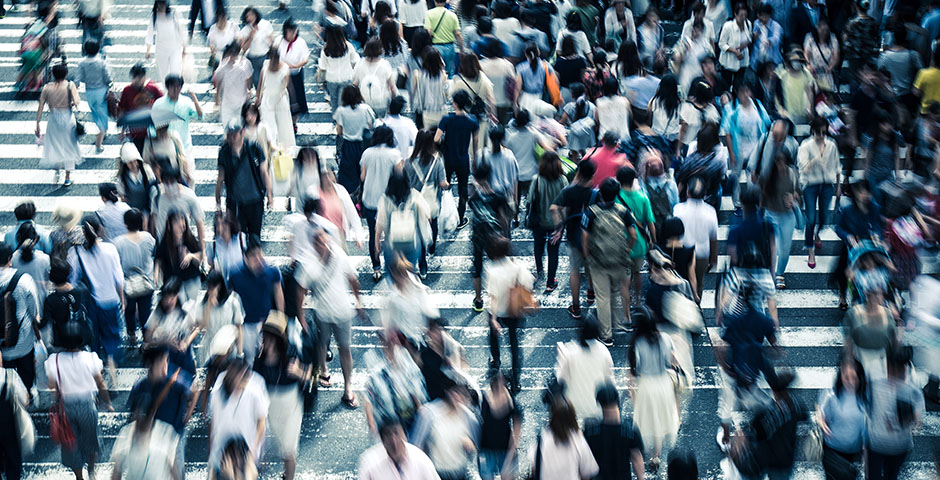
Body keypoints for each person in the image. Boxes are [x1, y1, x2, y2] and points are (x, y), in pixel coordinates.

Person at [46, 328, 113, 480]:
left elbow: (53, 388)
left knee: (71, 444)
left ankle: (79, 477)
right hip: (87, 404)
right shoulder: (90, 358)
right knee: (91, 441)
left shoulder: (54, 360)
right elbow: (101, 383)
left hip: (66, 407)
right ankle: (91, 472)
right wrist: (107, 402)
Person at [304, 230, 361, 408]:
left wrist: (359, 302)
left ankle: (348, 387)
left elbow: (353, 279)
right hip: (322, 312)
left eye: (324, 242)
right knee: (322, 343)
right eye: (319, 243)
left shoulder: (339, 256)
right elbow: (301, 288)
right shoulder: (310, 262)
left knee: (345, 348)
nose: (323, 246)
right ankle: (324, 370)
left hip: (342, 311)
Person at [66, 215, 122, 381]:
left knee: (95, 339)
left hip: (92, 303)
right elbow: (119, 278)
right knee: (112, 338)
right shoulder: (110, 249)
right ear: (100, 229)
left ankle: (97, 375)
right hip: (111, 301)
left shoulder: (75, 252)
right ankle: (112, 369)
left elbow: (73, 281)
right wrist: (123, 299)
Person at [126, 344, 194, 479]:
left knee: (177, 472)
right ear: (150, 364)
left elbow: (194, 391)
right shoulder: (141, 386)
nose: (165, 365)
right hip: (152, 438)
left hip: (174, 435)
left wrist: (187, 416)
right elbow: (135, 415)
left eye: (167, 360)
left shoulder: (176, 381)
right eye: (162, 361)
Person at [582, 178, 636, 344]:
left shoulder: (590, 212)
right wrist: (626, 249)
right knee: (614, 293)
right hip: (619, 260)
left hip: (598, 261)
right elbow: (633, 235)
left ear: (600, 193)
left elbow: (585, 237)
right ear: (616, 193)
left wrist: (588, 256)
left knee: (602, 297)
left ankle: (606, 335)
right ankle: (616, 324)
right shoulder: (623, 211)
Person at [253, 313, 303, 480]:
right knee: (280, 445)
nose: (265, 341)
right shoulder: (259, 358)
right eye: (265, 336)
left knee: (289, 449)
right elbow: (255, 382)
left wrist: (299, 372)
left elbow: (313, 375)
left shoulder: (292, 353)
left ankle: (289, 476)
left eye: (269, 337)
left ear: (278, 339)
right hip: (270, 405)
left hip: (290, 405)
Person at [484, 236, 533, 393]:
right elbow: (529, 283)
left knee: (493, 337)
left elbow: (493, 297)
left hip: (499, 312)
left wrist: (493, 318)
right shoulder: (517, 266)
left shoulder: (492, 270)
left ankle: (496, 360)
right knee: (515, 346)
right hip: (515, 311)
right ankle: (516, 380)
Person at [551, 160, 598, 319]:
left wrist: (560, 223)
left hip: (573, 235)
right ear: (593, 174)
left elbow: (554, 208)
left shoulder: (568, 191)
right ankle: (591, 292)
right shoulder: (595, 194)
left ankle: (576, 306)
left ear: (578, 172)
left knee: (574, 270)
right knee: (590, 266)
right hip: (591, 236)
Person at [207, 359, 269, 474]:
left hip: (246, 444)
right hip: (223, 444)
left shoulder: (254, 390)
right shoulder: (218, 391)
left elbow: (262, 422)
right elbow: (214, 421)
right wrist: (211, 449)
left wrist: (255, 449)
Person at [228, 238, 284, 363]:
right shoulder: (235, 274)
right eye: (254, 256)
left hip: (265, 324)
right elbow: (230, 299)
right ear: (245, 258)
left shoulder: (272, 272)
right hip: (245, 325)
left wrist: (280, 319)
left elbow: (278, 294)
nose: (258, 259)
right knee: (248, 360)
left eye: (260, 254)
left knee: (267, 358)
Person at [411, 379, 480, 479]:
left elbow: (475, 451)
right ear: (447, 391)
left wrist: (471, 446)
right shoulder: (429, 413)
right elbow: (416, 447)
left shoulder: (470, 418)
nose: (459, 397)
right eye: (456, 392)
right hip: (436, 473)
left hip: (460, 472)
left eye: (463, 394)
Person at [361, 125, 405, 279]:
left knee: (374, 233)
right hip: (388, 200)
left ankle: (376, 267)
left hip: (370, 199)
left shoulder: (367, 153)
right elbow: (399, 176)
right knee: (391, 233)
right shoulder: (395, 154)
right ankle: (392, 263)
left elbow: (362, 177)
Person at [215, 120, 272, 238]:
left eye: (235, 134)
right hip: (236, 203)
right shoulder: (224, 152)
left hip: (255, 200)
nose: (232, 137)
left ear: (242, 132)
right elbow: (220, 178)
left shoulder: (254, 148)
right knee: (238, 237)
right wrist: (218, 203)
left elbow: (264, 172)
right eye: (230, 134)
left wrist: (269, 195)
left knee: (255, 236)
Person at [721, 83, 772, 213]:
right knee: (736, 176)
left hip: (755, 147)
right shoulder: (731, 108)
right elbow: (727, 132)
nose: (745, 94)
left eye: (747, 91)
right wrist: (731, 152)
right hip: (738, 148)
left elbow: (767, 123)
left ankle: (754, 201)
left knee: (754, 176)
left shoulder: (758, 106)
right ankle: (737, 204)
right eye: (742, 91)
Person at [405, 130, 448, 276]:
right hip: (431, 200)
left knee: (418, 230)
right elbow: (443, 183)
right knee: (432, 224)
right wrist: (447, 186)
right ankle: (432, 247)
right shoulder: (437, 160)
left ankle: (422, 264)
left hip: (414, 202)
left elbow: (405, 184)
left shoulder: (409, 162)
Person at [798, 117, 840, 270]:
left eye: (824, 132)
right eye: (818, 132)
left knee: (823, 218)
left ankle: (817, 234)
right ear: (813, 131)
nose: (821, 135)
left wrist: (839, 185)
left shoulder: (832, 145)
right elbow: (803, 168)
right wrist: (817, 157)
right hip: (810, 185)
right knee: (810, 219)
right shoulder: (806, 146)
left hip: (827, 185)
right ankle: (810, 250)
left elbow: (836, 166)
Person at [470, 163, 512, 312]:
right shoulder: (498, 195)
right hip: (495, 235)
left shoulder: (474, 195)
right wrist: (507, 236)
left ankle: (479, 300)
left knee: (477, 266)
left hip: (478, 235)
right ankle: (502, 296)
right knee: (500, 265)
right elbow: (504, 219)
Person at [0, 242, 39, 400]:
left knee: (5, 375)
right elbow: (33, 311)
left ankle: (9, 400)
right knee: (25, 372)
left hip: (1, 348)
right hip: (22, 340)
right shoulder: (24, 280)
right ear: (10, 259)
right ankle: (27, 396)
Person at [435, 90, 480, 228]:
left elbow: (436, 138)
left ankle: (442, 214)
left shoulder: (447, 119)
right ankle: (460, 219)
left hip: (448, 159)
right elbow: (476, 143)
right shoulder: (472, 120)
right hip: (463, 159)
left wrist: (442, 149)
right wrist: (474, 159)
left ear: (454, 103)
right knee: (462, 190)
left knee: (444, 187)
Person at [817, 359, 867, 480]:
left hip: (854, 449)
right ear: (841, 377)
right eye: (846, 377)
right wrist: (823, 424)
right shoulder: (832, 395)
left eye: (854, 378)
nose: (850, 381)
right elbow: (821, 415)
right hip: (833, 447)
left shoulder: (866, 397)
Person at [584, 383, 646, 480]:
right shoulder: (629, 431)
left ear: (599, 403)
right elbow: (636, 459)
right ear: (618, 400)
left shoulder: (591, 432)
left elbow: (585, 463)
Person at [112, 209, 156, 346]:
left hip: (128, 283)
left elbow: (117, 264)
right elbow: (154, 254)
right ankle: (147, 339)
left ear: (125, 223)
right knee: (145, 312)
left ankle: (131, 334)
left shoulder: (118, 242)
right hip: (146, 282)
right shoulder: (148, 238)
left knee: (129, 311)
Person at [555, 320, 613, 422]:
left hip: (574, 406)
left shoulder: (571, 351)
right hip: (596, 406)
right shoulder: (603, 351)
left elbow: (561, 378)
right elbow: (609, 379)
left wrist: (560, 360)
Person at [615, 165, 655, 310]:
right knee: (637, 273)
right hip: (639, 243)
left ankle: (626, 311)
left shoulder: (616, 198)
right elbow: (650, 223)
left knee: (624, 280)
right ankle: (638, 300)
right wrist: (653, 241)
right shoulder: (643, 198)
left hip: (622, 244)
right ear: (633, 180)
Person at [527, 151, 568, 292]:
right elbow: (565, 206)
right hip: (556, 224)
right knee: (553, 252)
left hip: (539, 222)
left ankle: (540, 274)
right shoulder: (563, 180)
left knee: (538, 248)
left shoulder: (537, 179)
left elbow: (529, 200)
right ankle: (551, 282)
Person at [36, 63, 82, 187]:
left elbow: (40, 106)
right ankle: (67, 178)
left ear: (53, 75)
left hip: (53, 119)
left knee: (55, 144)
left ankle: (57, 169)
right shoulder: (70, 85)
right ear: (65, 74)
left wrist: (37, 123)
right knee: (69, 146)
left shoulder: (47, 88)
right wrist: (72, 103)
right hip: (67, 118)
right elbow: (77, 101)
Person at [530, 398, 600, 480]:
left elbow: (534, 467)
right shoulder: (578, 441)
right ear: (572, 416)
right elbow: (588, 471)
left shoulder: (541, 440)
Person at [673, 177, 718, 301]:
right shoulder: (711, 212)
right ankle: (697, 308)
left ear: (687, 193)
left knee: (682, 282)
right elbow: (713, 239)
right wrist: (714, 258)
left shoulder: (678, 209)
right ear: (704, 194)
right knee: (698, 283)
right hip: (702, 254)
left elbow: (674, 235)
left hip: (682, 252)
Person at [189, 271, 244, 366]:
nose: (209, 291)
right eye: (208, 288)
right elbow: (204, 326)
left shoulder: (232, 302)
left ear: (219, 286)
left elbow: (238, 328)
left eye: (212, 288)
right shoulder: (202, 303)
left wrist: (240, 353)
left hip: (228, 347)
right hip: (211, 348)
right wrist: (208, 306)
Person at [762, 151, 799, 290]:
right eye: (778, 162)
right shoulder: (768, 176)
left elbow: (798, 193)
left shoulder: (792, 174)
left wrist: (793, 198)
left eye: (783, 162)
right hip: (771, 215)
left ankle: (780, 274)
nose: (781, 165)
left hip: (788, 216)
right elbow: (762, 197)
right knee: (774, 247)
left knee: (785, 248)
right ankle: (771, 274)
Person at [477, 371, 522, 480]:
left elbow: (517, 430)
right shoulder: (483, 398)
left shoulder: (511, 402)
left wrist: (511, 455)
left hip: (504, 449)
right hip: (486, 449)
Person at [358, 421, 439, 479]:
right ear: (382, 440)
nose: (394, 440)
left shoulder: (420, 459)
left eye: (397, 433)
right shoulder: (369, 460)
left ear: (405, 435)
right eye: (388, 435)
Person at [149, 166, 206, 249]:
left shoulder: (189, 196)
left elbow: (199, 222)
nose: (169, 185)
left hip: (183, 243)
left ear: (178, 180)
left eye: (171, 182)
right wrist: (155, 241)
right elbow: (154, 218)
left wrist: (202, 250)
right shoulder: (157, 196)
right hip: (164, 244)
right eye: (166, 182)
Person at [334, 85, 376, 195]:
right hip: (363, 144)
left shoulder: (341, 111)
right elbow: (371, 125)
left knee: (348, 175)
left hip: (348, 145)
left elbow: (339, 131)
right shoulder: (366, 109)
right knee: (364, 171)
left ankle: (350, 197)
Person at [154, 211, 203, 303]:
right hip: (174, 281)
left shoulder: (190, 239)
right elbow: (158, 258)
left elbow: (200, 256)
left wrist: (190, 256)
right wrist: (156, 274)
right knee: (181, 306)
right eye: (177, 221)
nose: (181, 225)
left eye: (182, 220)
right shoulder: (165, 242)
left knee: (192, 306)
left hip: (191, 279)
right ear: (170, 225)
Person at [257, 48, 297, 153]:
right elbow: (260, 84)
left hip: (280, 99)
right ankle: (271, 149)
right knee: (269, 127)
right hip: (267, 98)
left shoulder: (284, 68)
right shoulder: (265, 65)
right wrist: (258, 98)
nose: (274, 61)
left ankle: (283, 152)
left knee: (283, 128)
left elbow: (284, 87)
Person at [75, 41, 110, 153]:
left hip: (89, 92)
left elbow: (78, 79)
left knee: (95, 113)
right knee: (103, 114)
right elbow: (107, 77)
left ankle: (101, 131)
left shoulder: (82, 63)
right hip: (101, 91)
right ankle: (99, 142)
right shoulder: (101, 62)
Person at [319, 25, 361, 114]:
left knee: (333, 100)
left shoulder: (325, 49)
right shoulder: (348, 47)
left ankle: (336, 119)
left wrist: (321, 81)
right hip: (346, 77)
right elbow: (354, 61)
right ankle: (342, 120)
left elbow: (323, 67)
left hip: (331, 79)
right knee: (343, 101)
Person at [353, 37, 398, 117]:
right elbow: (392, 87)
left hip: (365, 101)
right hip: (381, 102)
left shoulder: (359, 64)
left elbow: (355, 84)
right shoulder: (385, 64)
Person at [116, 144, 155, 232]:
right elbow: (122, 197)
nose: (134, 164)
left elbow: (153, 188)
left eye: (135, 161)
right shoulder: (122, 178)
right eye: (130, 162)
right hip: (132, 212)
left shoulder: (146, 170)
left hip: (147, 209)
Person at [144, 0, 186, 82]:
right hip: (161, 50)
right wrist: (148, 49)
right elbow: (150, 32)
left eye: (163, 3)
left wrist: (185, 46)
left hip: (175, 48)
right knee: (164, 75)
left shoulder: (174, 13)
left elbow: (181, 29)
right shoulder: (154, 15)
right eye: (160, 3)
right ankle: (166, 93)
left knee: (175, 72)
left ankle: (176, 92)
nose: (162, 5)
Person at [213, 42, 253, 127]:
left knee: (239, 127)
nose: (232, 56)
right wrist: (217, 98)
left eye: (234, 53)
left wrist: (249, 92)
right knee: (227, 127)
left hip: (241, 103)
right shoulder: (223, 65)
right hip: (227, 103)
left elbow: (249, 81)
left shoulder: (244, 64)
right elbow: (219, 81)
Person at [278, 19, 309, 127]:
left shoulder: (300, 42)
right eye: (290, 31)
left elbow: (305, 59)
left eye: (294, 31)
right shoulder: (279, 41)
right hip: (282, 74)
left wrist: (294, 66)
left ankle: (294, 122)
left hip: (295, 73)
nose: (292, 34)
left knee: (296, 98)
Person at [677, 81, 720, 157]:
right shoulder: (712, 111)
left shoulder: (687, 108)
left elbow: (683, 131)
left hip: (689, 146)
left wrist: (678, 149)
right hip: (702, 148)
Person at [411, 48, 450, 130]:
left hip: (423, 112)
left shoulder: (417, 75)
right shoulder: (443, 75)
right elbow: (446, 95)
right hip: (440, 113)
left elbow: (413, 93)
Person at [775, 50, 816, 124]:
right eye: (794, 61)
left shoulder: (806, 74)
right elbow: (777, 95)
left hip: (803, 113)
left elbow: (810, 92)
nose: (797, 63)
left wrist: (810, 108)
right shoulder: (782, 75)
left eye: (798, 61)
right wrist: (780, 109)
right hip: (788, 115)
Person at [239, 7, 274, 88]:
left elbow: (271, 40)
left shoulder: (265, 24)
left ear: (256, 15)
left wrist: (270, 44)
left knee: (267, 80)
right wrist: (251, 37)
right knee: (256, 80)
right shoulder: (246, 30)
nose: (250, 18)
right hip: (252, 58)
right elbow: (243, 48)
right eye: (247, 16)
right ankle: (260, 98)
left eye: (251, 15)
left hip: (265, 56)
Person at [718, 3, 751, 88]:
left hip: (742, 61)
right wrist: (734, 51)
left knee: (738, 85)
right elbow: (721, 44)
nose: (743, 18)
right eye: (741, 15)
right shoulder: (728, 27)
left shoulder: (748, 24)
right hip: (728, 62)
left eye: (745, 15)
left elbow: (749, 38)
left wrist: (745, 44)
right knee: (726, 84)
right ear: (735, 15)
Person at [425, 0, 461, 76]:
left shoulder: (429, 14)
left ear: (435, 1)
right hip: (450, 47)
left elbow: (428, 32)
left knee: (436, 73)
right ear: (445, 1)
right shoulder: (452, 15)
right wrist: (462, 49)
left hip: (435, 48)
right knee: (450, 73)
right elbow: (458, 34)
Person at [804, 17, 840, 93]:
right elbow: (806, 53)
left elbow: (836, 56)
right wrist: (808, 65)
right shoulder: (810, 37)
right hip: (814, 72)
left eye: (826, 30)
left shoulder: (832, 38)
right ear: (818, 28)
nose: (824, 33)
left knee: (827, 96)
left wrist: (830, 67)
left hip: (827, 72)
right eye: (822, 30)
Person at [751, 4, 782, 70]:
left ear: (770, 16)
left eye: (766, 16)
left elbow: (777, 38)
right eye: (762, 16)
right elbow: (752, 35)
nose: (764, 18)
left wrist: (770, 41)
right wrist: (754, 36)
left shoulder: (776, 26)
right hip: (758, 58)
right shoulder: (756, 23)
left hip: (771, 58)